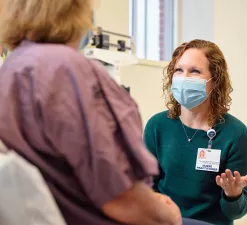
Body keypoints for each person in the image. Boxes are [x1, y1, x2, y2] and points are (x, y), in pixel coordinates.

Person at [0, 1, 213, 225]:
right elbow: (120, 197)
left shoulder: (11, 69)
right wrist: (165, 214)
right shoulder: (69, 70)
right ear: (74, 9)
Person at [144, 39, 247, 225]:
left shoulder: (235, 133)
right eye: (179, 70)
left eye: (195, 71)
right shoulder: (157, 126)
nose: (184, 78)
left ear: (215, 81)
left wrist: (233, 194)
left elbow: (235, 213)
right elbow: (147, 188)